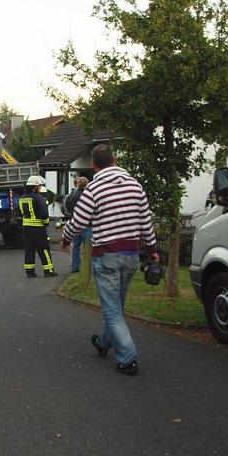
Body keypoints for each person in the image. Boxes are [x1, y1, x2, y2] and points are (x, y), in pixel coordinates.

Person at [61, 144, 158, 375]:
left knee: (112, 309)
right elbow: (146, 221)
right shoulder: (135, 186)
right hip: (132, 255)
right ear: (115, 160)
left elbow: (79, 220)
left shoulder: (95, 189)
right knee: (117, 306)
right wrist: (152, 248)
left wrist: (66, 239)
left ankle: (128, 357)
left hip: (107, 256)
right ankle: (105, 343)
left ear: (94, 165)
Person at [19, 175, 57, 278]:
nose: (40, 187)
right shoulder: (38, 197)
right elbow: (44, 213)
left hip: (26, 227)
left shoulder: (22, 198)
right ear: (35, 187)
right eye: (39, 186)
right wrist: (45, 223)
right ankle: (48, 271)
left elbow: (21, 212)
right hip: (38, 228)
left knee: (29, 249)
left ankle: (30, 272)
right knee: (44, 249)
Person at [64, 176, 91, 273]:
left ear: (78, 184)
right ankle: (87, 267)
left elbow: (67, 206)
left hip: (75, 223)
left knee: (76, 246)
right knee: (88, 247)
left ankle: (75, 266)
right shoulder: (89, 195)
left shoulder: (72, 195)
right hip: (87, 224)